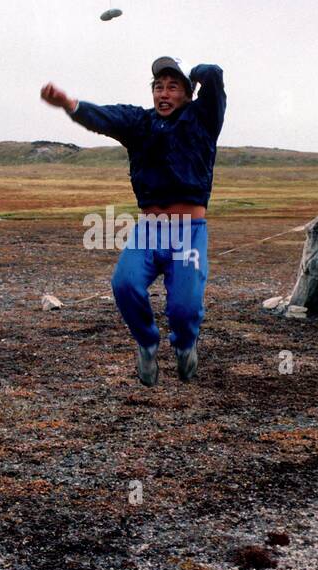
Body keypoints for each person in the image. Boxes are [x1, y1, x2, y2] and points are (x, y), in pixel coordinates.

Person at [40, 57, 226, 385]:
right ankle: (147, 343)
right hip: (149, 230)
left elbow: (212, 75)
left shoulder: (203, 118)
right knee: (124, 284)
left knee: (184, 307)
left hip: (189, 231)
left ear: (187, 93)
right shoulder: (139, 122)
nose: (164, 94)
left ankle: (185, 345)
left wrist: (194, 76)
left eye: (173, 87)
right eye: (158, 87)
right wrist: (70, 103)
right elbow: (104, 117)